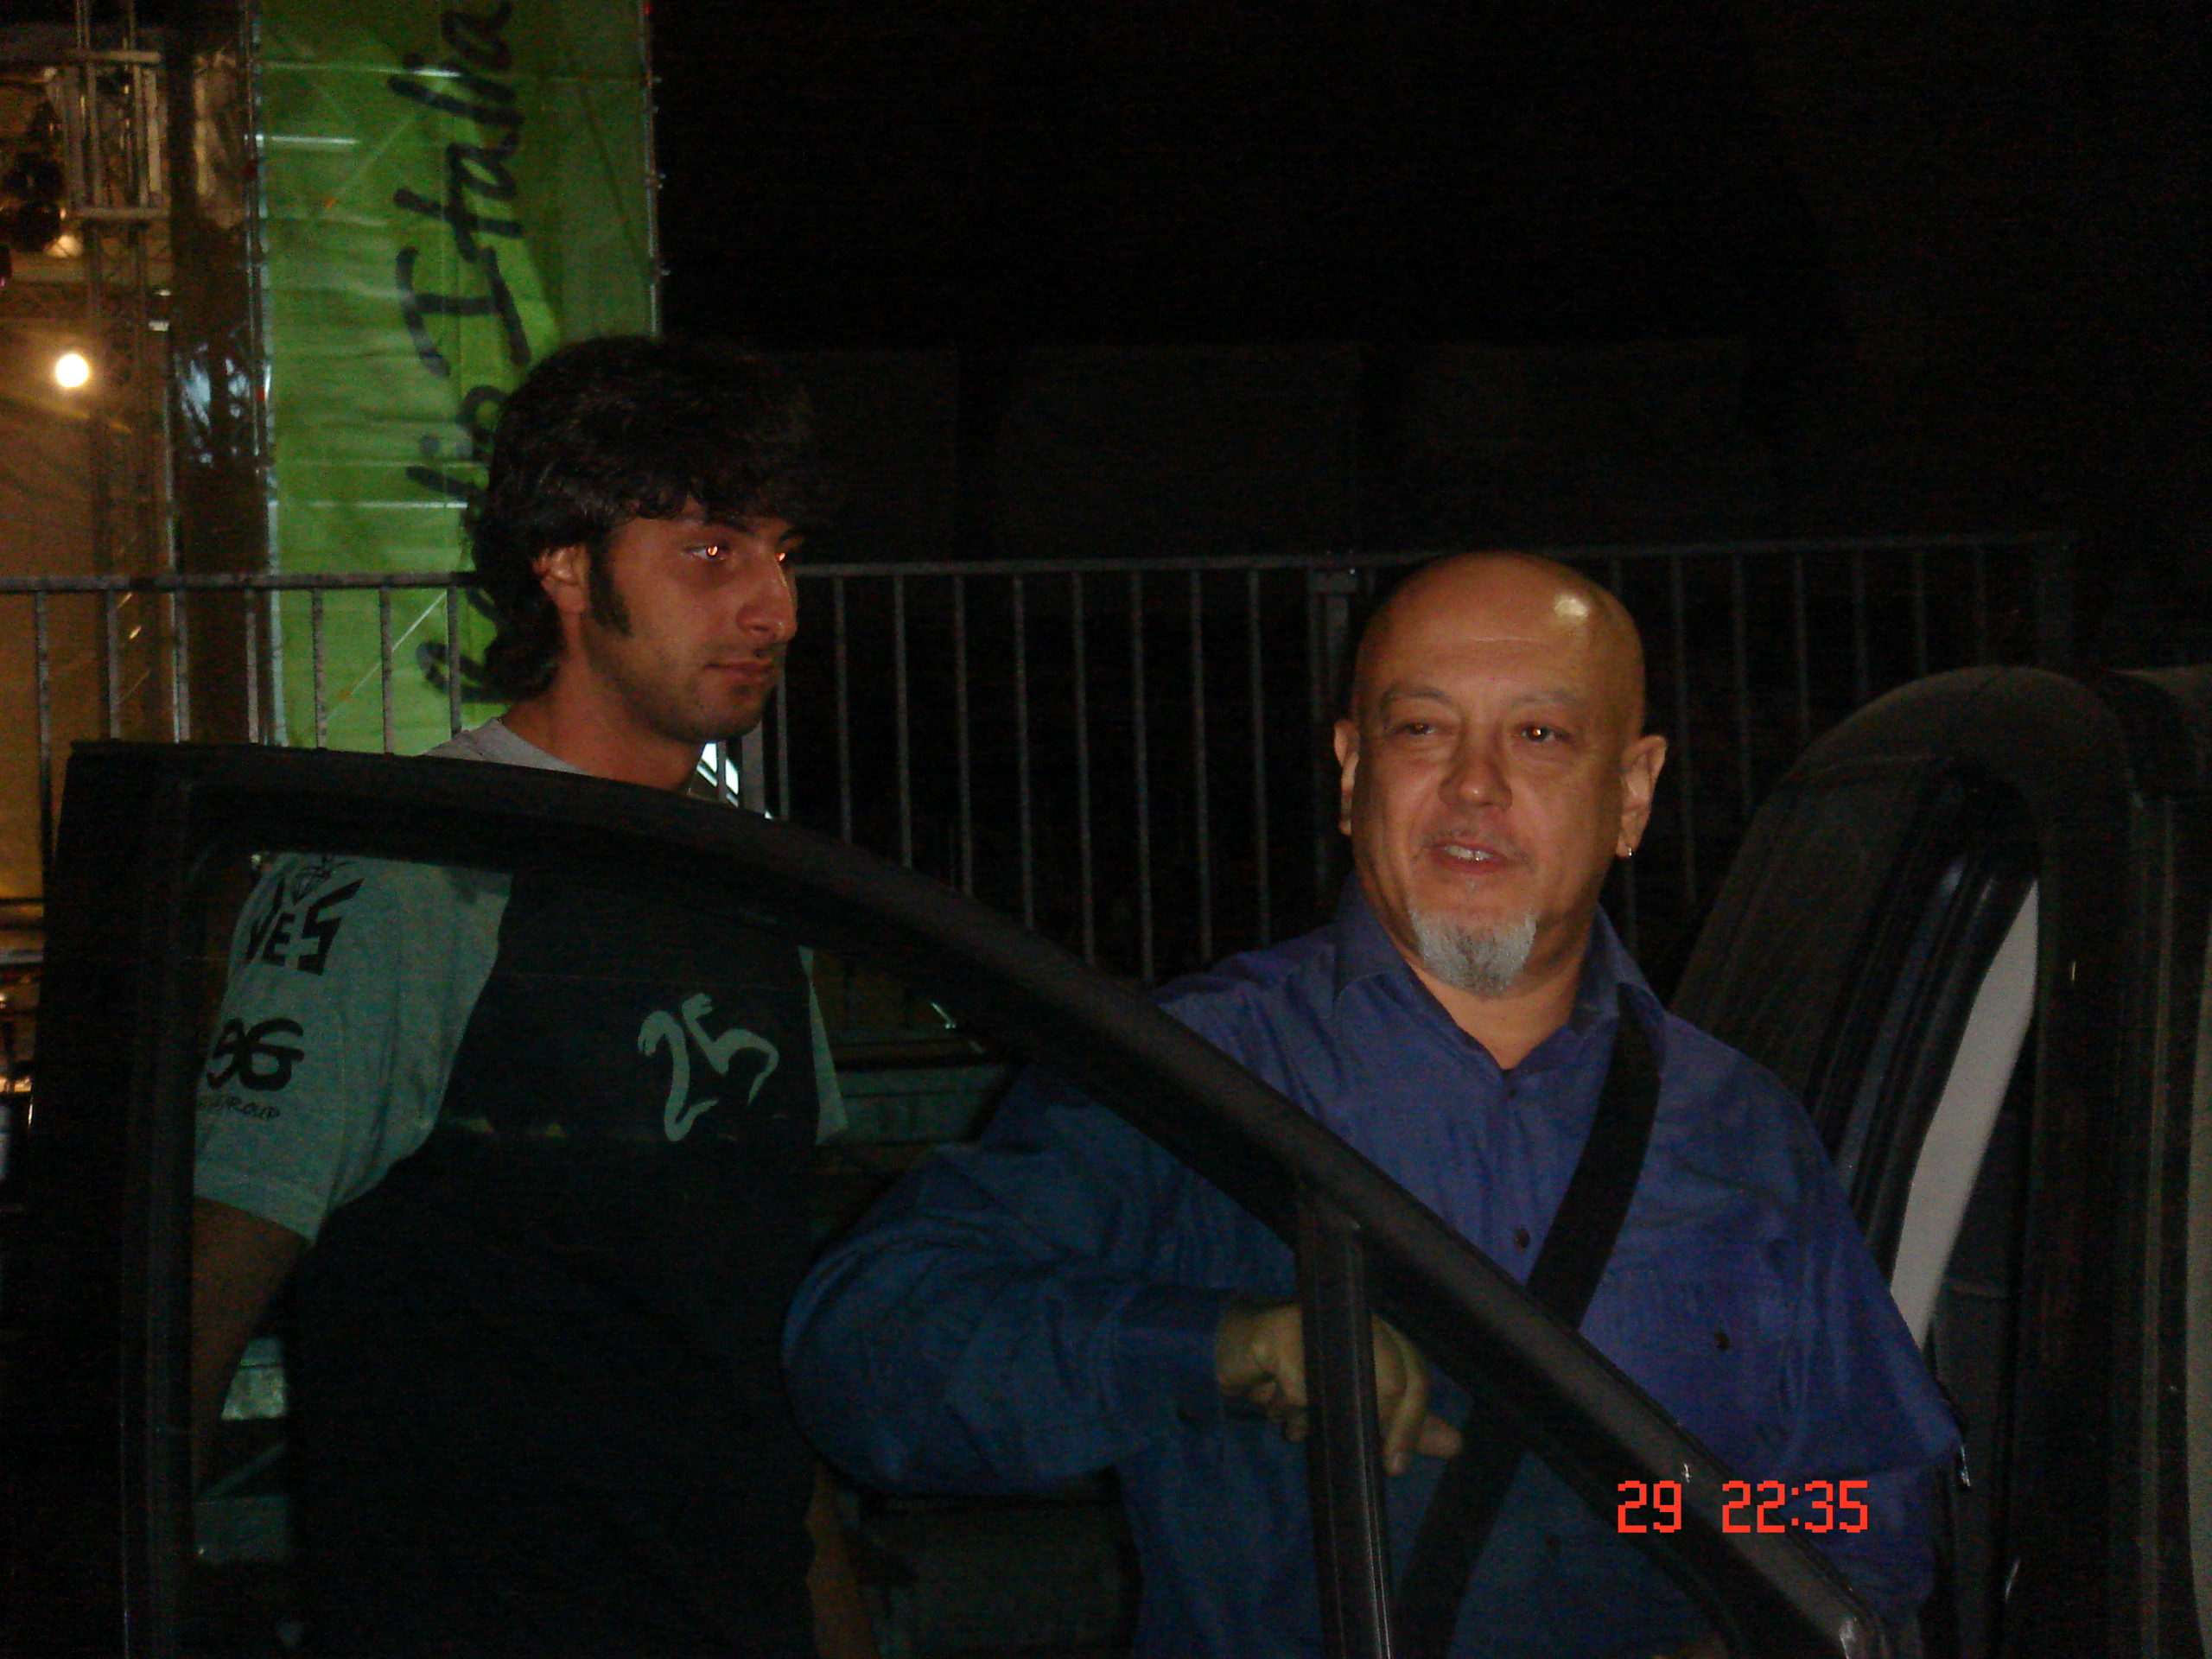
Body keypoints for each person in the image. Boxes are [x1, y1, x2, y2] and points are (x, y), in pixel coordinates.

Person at [784, 552, 1959, 1658]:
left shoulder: (1738, 1124)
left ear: (1632, 794)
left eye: (1540, 735)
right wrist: (1223, 1346)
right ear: (1353, 775)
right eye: (1422, 729)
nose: (1476, 785)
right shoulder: (1189, 1075)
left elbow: (1869, 1496)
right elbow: (870, 1356)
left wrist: (1695, 1597)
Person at [191, 336, 874, 1658]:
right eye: (711, 552)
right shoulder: (409, 871)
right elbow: (199, 1295)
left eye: (784, 554)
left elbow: (742, 1349)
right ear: (564, 566)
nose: (775, 609)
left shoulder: (754, 889)